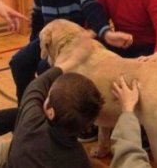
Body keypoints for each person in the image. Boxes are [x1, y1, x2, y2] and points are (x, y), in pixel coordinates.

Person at [6, 31, 104, 168]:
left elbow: (38, 83)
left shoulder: (31, 121)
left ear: (50, 112)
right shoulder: (78, 158)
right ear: (87, 127)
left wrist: (74, 60)